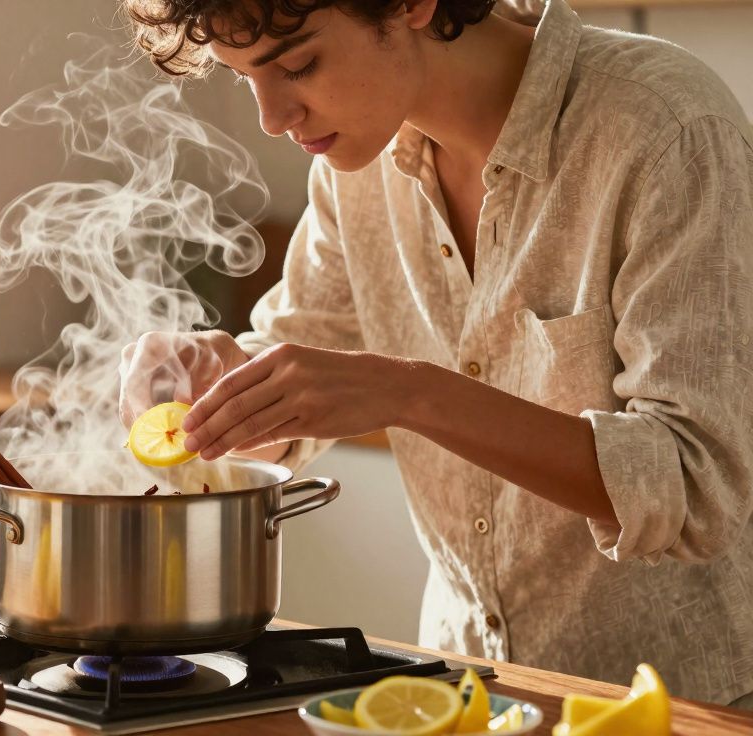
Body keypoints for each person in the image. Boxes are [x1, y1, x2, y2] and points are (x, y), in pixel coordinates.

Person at [117, 0, 753, 706]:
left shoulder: (667, 128)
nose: (272, 117)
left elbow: (693, 484)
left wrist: (414, 394)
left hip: (686, 706)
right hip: (467, 696)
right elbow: (304, 359)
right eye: (245, 78)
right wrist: (225, 378)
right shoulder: (351, 159)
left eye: (298, 64)